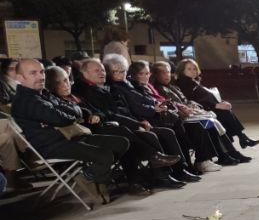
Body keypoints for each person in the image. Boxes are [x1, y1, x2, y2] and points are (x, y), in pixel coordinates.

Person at [9, 59, 129, 184]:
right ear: (19, 78)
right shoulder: (25, 101)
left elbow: (76, 108)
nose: (40, 76)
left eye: (42, 72)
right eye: (33, 73)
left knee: (122, 143)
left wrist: (70, 113)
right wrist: (71, 115)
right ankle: (90, 176)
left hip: (71, 136)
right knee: (105, 155)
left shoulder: (43, 93)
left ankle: (93, 174)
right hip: (51, 145)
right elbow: (61, 119)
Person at [71, 58, 184, 190]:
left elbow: (116, 111)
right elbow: (106, 114)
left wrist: (137, 122)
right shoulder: (85, 90)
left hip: (119, 123)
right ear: (85, 73)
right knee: (140, 136)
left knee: (160, 132)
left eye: (102, 69)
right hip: (102, 129)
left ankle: (174, 171)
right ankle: (157, 175)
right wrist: (136, 124)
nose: (102, 72)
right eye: (97, 70)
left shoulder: (100, 87)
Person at [151, 60, 246, 171]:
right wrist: (190, 107)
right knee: (206, 123)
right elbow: (171, 104)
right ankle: (204, 160)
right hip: (178, 119)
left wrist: (193, 106)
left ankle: (227, 153)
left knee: (213, 121)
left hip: (189, 114)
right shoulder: (161, 88)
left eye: (167, 72)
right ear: (155, 74)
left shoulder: (172, 86)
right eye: (162, 72)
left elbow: (186, 100)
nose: (166, 75)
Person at [174, 59, 259, 150]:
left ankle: (241, 138)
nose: (193, 71)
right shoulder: (184, 83)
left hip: (207, 108)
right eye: (189, 69)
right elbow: (193, 100)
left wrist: (221, 102)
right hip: (199, 112)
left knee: (226, 112)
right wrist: (216, 105)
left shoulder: (193, 81)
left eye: (194, 68)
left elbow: (206, 95)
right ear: (182, 71)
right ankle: (239, 139)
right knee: (225, 114)